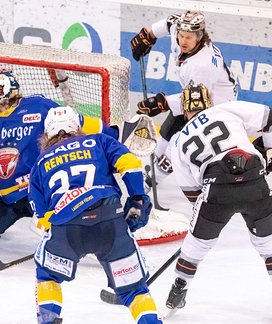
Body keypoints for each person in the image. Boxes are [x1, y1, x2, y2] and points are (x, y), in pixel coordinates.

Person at [0, 69, 119, 246]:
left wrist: (113, 135)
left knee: (69, 234)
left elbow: (75, 122)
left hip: (43, 190)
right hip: (4, 199)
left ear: (1, 92)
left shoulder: (39, 106)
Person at [28, 106, 162, 324]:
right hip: (109, 218)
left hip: (65, 226)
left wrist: (56, 232)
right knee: (134, 291)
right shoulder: (99, 141)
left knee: (48, 276)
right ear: (77, 128)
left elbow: (42, 215)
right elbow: (129, 164)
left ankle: (47, 321)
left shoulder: (39, 163)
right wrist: (137, 198)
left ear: (47, 133)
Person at [165, 83, 272, 314]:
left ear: (184, 112)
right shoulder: (227, 110)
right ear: (210, 104)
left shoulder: (178, 141)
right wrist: (270, 153)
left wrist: (210, 216)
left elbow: (192, 193)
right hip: (254, 176)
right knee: (269, 245)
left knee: (195, 246)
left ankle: (177, 291)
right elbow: (269, 117)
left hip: (215, 186)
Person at [130, 10, 238, 191]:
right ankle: (149, 168)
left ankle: (150, 182)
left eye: (188, 37)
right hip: (197, 94)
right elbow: (170, 22)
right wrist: (150, 34)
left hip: (216, 104)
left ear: (200, 36)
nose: (183, 41)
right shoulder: (179, 31)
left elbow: (196, 101)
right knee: (168, 128)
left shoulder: (202, 65)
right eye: (181, 36)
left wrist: (162, 103)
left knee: (179, 144)